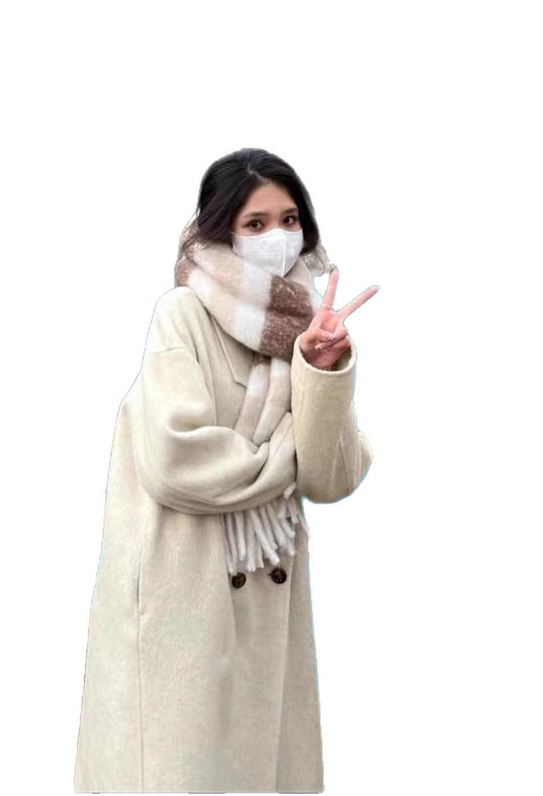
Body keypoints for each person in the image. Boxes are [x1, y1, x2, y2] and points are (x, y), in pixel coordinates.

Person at [73, 147, 376, 793]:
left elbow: (331, 478)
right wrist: (286, 456)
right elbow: (177, 459)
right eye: (255, 223)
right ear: (221, 230)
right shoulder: (183, 313)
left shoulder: (310, 329)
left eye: (289, 220)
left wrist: (321, 374)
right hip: (184, 590)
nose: (277, 237)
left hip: (267, 597)